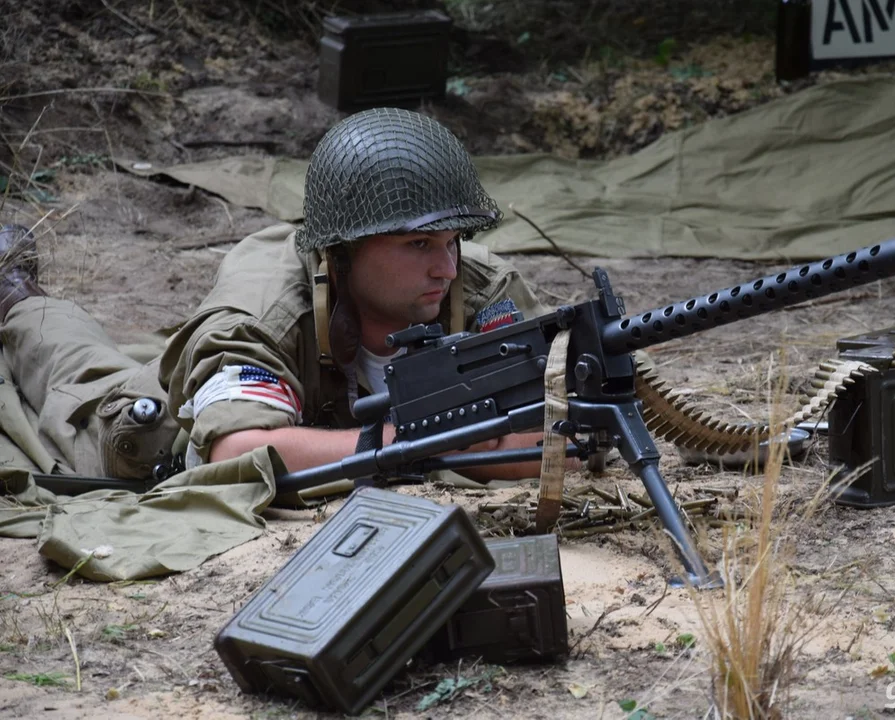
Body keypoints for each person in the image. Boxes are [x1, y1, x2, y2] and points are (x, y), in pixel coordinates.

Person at [0, 107, 553, 492]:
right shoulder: (265, 304)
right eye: (418, 244)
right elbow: (238, 453)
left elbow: (559, 423)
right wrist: (429, 441)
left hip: (311, 412)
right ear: (343, 251)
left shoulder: (481, 287)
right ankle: (17, 294)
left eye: (453, 241)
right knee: (75, 373)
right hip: (151, 441)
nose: (447, 266)